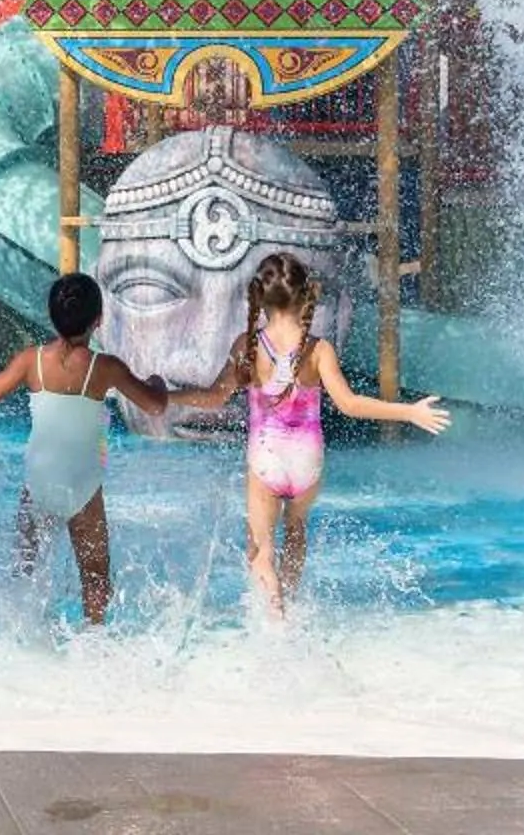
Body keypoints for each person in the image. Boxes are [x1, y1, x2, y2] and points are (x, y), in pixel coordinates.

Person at [168, 251, 451, 611]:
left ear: (259, 297)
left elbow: (213, 397)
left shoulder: (248, 346)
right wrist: (408, 412)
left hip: (266, 459)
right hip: (307, 460)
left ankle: (274, 614)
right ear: (305, 295)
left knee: (260, 549)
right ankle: (293, 601)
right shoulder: (320, 349)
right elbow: (350, 404)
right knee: (297, 529)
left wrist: (168, 395)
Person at [0, 271, 170, 625]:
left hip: (40, 483)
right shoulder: (104, 367)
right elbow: (155, 406)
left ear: (52, 317)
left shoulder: (30, 361)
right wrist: (157, 383)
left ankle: (19, 634)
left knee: (24, 570)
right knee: (95, 579)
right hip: (84, 487)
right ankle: (94, 639)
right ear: (99, 320)